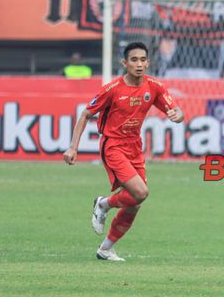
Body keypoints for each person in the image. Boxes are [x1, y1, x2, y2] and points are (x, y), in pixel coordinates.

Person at [63, 42, 185, 261]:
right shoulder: (112, 89)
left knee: (135, 203)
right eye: (134, 60)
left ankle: (105, 249)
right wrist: (73, 147)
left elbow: (175, 109)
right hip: (113, 146)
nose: (139, 64)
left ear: (148, 62)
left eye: (142, 60)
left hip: (134, 147)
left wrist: (178, 115)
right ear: (125, 63)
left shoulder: (154, 87)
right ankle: (103, 203)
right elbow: (85, 114)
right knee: (141, 192)